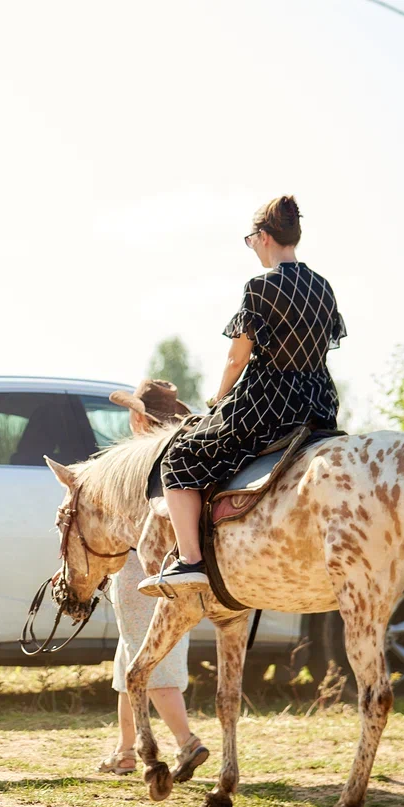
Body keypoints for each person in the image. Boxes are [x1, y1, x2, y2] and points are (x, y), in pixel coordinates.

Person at [140, 196, 346, 598]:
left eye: (251, 238)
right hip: (319, 402)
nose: (252, 246)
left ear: (265, 237)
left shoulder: (261, 287)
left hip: (268, 402)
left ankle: (191, 562)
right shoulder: (323, 285)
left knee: (179, 459)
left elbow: (238, 358)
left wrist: (216, 399)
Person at [97, 380, 208, 779]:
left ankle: (186, 742)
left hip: (138, 569)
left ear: (140, 417)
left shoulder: (136, 463)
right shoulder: (182, 455)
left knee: (151, 661)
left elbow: (120, 525)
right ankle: (126, 750)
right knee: (130, 661)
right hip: (179, 566)